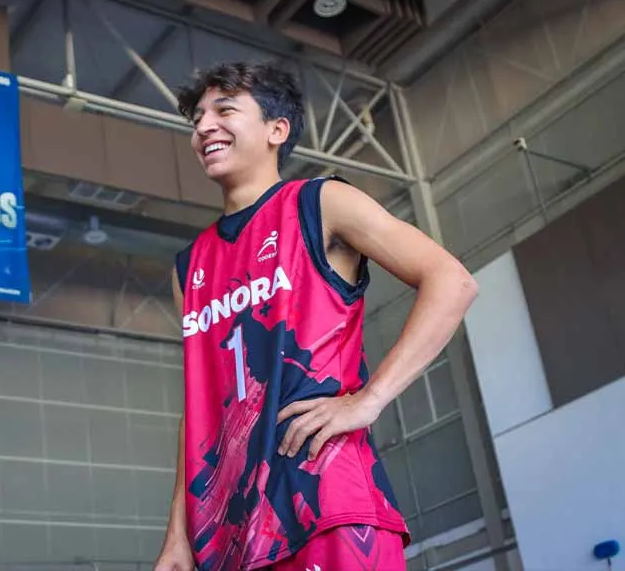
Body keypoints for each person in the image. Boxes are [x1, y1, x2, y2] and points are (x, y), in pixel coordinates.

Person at [156, 62, 479, 571]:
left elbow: (452, 281)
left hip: (328, 503)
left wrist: (367, 401)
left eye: (224, 110)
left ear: (275, 129)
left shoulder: (321, 202)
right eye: (197, 118)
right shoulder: (188, 268)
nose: (203, 127)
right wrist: (178, 535)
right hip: (233, 537)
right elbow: (200, 407)